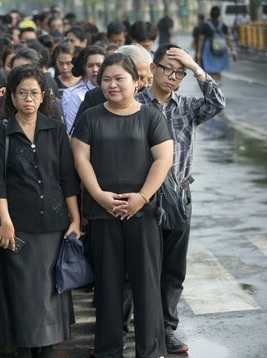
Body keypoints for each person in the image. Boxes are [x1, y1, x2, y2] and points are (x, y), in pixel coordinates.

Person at [72, 53, 174, 358]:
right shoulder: (90, 116)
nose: (112, 84)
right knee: (108, 285)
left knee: (146, 286)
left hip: (142, 214)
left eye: (119, 78)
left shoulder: (151, 116)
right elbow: (80, 159)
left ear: (137, 82)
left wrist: (141, 197)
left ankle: (151, 350)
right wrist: (101, 196)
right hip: (102, 214)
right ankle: (108, 349)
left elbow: (163, 159)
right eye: (106, 79)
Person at [0, 64, 80, 358]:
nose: (28, 98)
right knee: (22, 291)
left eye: (33, 93)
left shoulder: (55, 130)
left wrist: (75, 219)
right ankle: (24, 347)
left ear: (43, 96)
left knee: (50, 289)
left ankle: (48, 346)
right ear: (12, 97)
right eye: (22, 93)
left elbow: (67, 178)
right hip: (17, 224)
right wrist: (5, 221)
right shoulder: (1, 132)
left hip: (53, 223)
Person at [136, 43, 225, 354]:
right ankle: (125, 328)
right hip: (142, 197)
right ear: (153, 69)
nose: (173, 77)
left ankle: (166, 328)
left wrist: (196, 67)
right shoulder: (135, 105)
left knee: (173, 269)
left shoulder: (187, 106)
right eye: (167, 69)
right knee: (136, 267)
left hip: (179, 195)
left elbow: (217, 102)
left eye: (180, 73)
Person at [62, 45, 106, 133]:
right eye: (90, 66)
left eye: (99, 65)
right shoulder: (76, 95)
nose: (95, 70)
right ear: (85, 68)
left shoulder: (115, 91)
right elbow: (72, 131)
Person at [196, 6, 237, 84]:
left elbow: (201, 39)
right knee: (218, 70)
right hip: (221, 49)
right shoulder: (223, 25)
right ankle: (219, 84)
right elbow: (228, 39)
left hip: (209, 50)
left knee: (211, 70)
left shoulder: (206, 25)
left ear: (210, 14)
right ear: (219, 15)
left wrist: (199, 53)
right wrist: (233, 51)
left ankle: (214, 86)